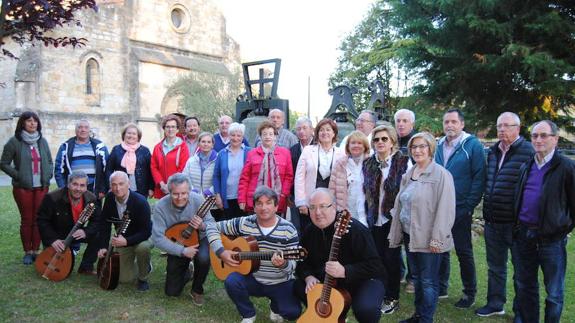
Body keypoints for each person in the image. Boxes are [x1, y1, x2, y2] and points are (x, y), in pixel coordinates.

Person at [206, 186, 301, 323]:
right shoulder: (245, 223)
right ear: (254, 207)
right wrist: (221, 252)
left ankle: (275, 305)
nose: (264, 208)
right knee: (232, 281)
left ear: (276, 207)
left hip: (280, 281)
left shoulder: (288, 229)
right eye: (259, 204)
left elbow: (292, 265)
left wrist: (284, 263)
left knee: (292, 313)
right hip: (252, 278)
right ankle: (248, 314)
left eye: (268, 203)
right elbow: (212, 226)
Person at [512, 120, 575, 323]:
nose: (538, 139)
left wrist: (562, 228)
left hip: (552, 240)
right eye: (534, 136)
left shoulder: (566, 166)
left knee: (554, 292)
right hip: (524, 237)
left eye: (543, 135)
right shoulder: (527, 165)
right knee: (525, 286)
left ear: (555, 139)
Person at [389, 132, 456, 323]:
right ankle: (418, 315)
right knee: (417, 278)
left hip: (429, 238)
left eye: (422, 146)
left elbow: (446, 210)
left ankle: (426, 319)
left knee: (428, 282)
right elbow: (401, 203)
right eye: (414, 147)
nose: (417, 150)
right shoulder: (410, 174)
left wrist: (437, 238)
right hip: (411, 236)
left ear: (431, 149)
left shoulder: (441, 175)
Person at [294, 188, 385, 323]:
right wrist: (308, 276)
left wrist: (346, 271)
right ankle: (329, 315)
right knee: (299, 286)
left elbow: (376, 266)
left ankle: (344, 310)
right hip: (328, 283)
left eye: (323, 206)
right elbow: (301, 260)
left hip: (361, 281)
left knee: (366, 309)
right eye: (312, 207)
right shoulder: (310, 230)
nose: (317, 213)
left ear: (334, 207)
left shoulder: (355, 229)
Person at [475, 112, 534, 317]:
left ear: (517, 128)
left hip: (516, 224)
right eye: (499, 126)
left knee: (521, 272)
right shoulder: (493, 152)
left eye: (507, 126)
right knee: (495, 268)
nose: (501, 129)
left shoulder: (529, 151)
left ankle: (521, 312)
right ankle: (495, 304)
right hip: (493, 221)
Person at [435, 109, 486, 308]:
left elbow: (479, 177)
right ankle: (441, 286)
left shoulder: (472, 145)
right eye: (446, 122)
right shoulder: (438, 145)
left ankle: (469, 292)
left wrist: (468, 205)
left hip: (461, 207)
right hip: (439, 206)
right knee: (440, 247)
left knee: (464, 251)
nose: (449, 125)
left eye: (453, 122)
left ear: (462, 124)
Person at [362, 125, 411, 315]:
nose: (380, 142)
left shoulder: (404, 162)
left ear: (392, 141)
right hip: (374, 218)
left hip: (394, 219)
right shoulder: (368, 163)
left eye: (384, 139)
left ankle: (392, 297)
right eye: (376, 139)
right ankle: (379, 292)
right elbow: (364, 192)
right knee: (377, 258)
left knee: (392, 258)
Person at [151, 173, 214, 305]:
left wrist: (202, 225)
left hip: (199, 238)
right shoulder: (161, 206)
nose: (180, 197)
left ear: (189, 191)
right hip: (178, 241)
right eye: (175, 194)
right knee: (171, 292)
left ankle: (197, 289)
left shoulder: (198, 200)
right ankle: (188, 272)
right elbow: (157, 238)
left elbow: (212, 224)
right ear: (169, 192)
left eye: (184, 193)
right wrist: (182, 251)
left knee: (203, 258)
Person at [1, 111, 53, 265]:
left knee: (38, 219)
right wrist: (19, 176)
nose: (32, 124)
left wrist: (48, 175)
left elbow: (50, 161)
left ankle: (36, 250)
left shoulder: (42, 141)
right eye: (29, 121)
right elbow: (3, 163)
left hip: (41, 187)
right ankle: (27, 252)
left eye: (35, 121)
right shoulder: (14, 142)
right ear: (22, 123)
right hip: (23, 188)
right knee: (27, 219)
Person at [37, 171, 103, 275]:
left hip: (76, 234)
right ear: (68, 184)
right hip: (57, 235)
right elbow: (42, 220)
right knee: (63, 270)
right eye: (75, 184)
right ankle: (52, 250)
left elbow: (97, 221)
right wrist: (52, 239)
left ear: (86, 187)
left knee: (98, 235)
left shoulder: (91, 199)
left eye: (82, 185)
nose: (78, 189)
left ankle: (86, 267)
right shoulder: (52, 197)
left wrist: (86, 231)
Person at [97, 171, 153, 291]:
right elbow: (104, 224)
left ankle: (144, 276)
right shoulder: (110, 199)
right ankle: (139, 264)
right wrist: (103, 246)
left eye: (121, 184)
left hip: (142, 238)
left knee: (142, 248)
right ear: (110, 186)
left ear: (128, 184)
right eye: (114, 184)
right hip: (122, 238)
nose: (117, 188)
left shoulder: (140, 202)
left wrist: (126, 241)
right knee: (124, 279)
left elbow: (146, 231)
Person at [294, 118, 345, 231]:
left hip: (331, 203)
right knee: (308, 233)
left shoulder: (341, 153)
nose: (325, 132)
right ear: (317, 133)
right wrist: (301, 202)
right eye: (321, 130)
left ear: (334, 133)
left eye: (328, 130)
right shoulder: (308, 150)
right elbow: (299, 177)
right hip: (310, 203)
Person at [238, 121, 293, 215]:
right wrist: (242, 198)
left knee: (275, 228)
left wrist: (284, 194)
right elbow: (245, 178)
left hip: (277, 200)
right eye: (265, 134)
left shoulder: (285, 153)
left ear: (275, 136)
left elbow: (289, 177)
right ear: (260, 136)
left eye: (271, 134)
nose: (268, 137)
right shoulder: (252, 153)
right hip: (256, 200)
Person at [54, 119, 109, 199]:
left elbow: (106, 169)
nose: (83, 130)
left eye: (86, 127)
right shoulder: (65, 147)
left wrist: (103, 189)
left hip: (93, 189)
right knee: (73, 211)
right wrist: (63, 189)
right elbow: (58, 170)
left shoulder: (100, 146)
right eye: (80, 127)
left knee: (93, 211)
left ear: (89, 130)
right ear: (76, 130)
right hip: (74, 189)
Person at [328, 130, 370, 226]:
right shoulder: (340, 163)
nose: (356, 145)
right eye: (353, 143)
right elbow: (332, 190)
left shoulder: (370, 162)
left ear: (365, 146)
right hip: (345, 211)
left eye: (359, 143)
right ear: (348, 146)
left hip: (365, 212)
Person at [105, 123, 154, 198]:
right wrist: (111, 185)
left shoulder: (145, 150)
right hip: (120, 188)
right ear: (124, 135)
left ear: (138, 137)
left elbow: (150, 170)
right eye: (129, 133)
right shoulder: (116, 149)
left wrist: (151, 188)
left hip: (142, 189)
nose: (131, 136)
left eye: (134, 134)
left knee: (139, 209)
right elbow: (109, 169)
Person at [213, 123, 251, 220]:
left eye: (239, 135)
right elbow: (216, 176)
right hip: (227, 197)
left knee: (244, 228)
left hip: (244, 197)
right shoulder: (222, 153)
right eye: (233, 135)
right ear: (229, 136)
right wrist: (217, 196)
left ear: (243, 137)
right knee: (229, 229)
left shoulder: (250, 152)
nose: (235, 138)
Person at [150, 114, 190, 199]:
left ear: (177, 129)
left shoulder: (183, 147)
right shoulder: (157, 147)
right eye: (167, 127)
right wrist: (161, 184)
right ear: (164, 129)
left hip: (177, 189)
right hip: (161, 189)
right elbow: (154, 167)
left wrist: (171, 185)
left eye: (173, 127)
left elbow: (182, 168)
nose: (170, 129)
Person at [289, 116, 314, 235]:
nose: (302, 131)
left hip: (314, 194)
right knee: (297, 228)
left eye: (305, 128)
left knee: (313, 227)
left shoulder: (318, 147)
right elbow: (290, 174)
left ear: (312, 129)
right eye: (299, 129)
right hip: (296, 196)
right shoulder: (292, 150)